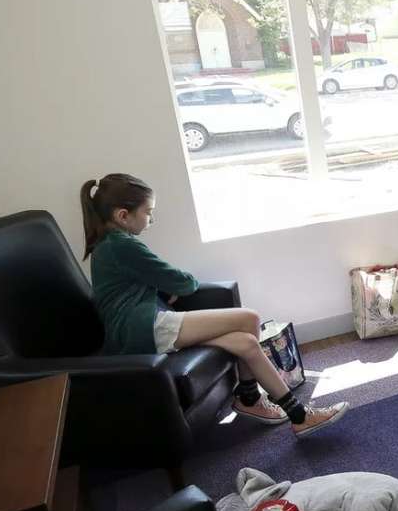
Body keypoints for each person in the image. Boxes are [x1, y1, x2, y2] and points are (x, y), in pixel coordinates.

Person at [80, 173, 347, 436]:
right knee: (249, 318)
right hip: (141, 329)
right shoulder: (122, 246)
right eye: (148, 212)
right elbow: (183, 282)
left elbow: (143, 281)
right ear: (123, 215)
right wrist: (173, 286)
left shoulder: (110, 245)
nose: (152, 219)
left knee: (246, 342)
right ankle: (253, 400)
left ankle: (290, 413)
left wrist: (164, 286)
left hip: (139, 327)